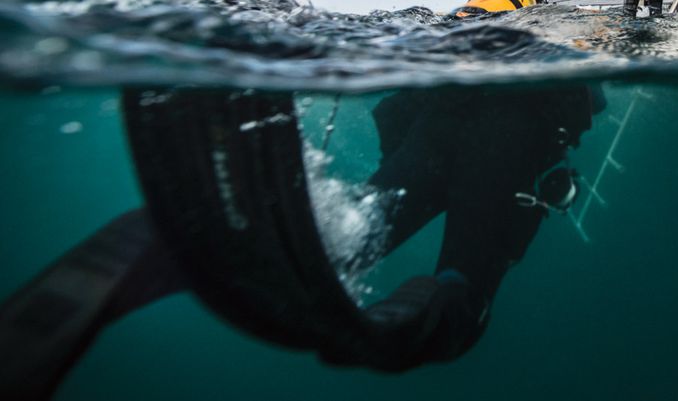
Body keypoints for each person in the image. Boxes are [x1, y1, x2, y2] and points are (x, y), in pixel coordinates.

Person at [0, 83, 602, 397]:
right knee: (466, 293)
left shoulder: (480, 26)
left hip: (437, 125)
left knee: (358, 229)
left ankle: (181, 239)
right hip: (511, 133)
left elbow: (402, 114)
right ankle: (441, 301)